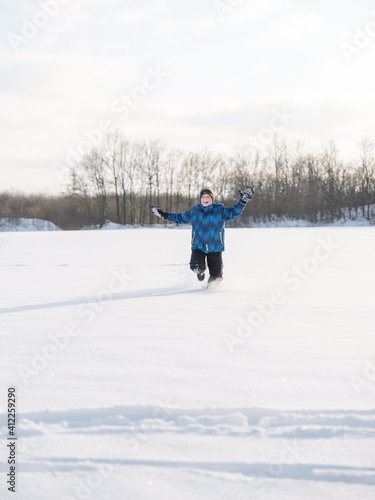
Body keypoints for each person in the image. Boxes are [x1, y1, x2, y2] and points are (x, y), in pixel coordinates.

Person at [151, 186, 254, 285]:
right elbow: (179, 217)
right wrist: (163, 214)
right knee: (196, 266)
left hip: (215, 247)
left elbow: (234, 212)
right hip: (198, 246)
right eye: (203, 197)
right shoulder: (195, 212)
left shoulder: (220, 211)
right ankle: (200, 271)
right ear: (200, 199)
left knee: (216, 278)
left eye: (208, 197)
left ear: (212, 199)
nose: (205, 199)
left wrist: (243, 201)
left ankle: (210, 291)